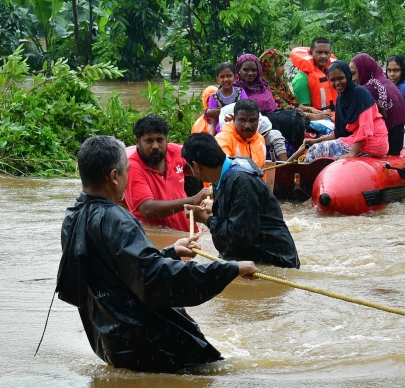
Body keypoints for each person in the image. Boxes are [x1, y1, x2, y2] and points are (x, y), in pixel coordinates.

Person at [56, 134, 258, 372]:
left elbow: (118, 273)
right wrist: (230, 268)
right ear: (114, 176)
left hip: (111, 341)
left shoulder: (72, 217)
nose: (127, 177)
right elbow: (154, 279)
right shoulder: (118, 220)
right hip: (149, 342)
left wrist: (171, 252)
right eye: (126, 171)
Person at [184, 133, 300, 268]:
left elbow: (241, 235)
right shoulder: (223, 173)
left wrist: (205, 219)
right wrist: (215, 207)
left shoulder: (242, 180)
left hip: (274, 262)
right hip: (254, 260)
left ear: (196, 166)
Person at [125, 115, 202, 232]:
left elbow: (200, 170)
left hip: (188, 233)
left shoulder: (176, 152)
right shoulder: (132, 168)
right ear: (137, 142)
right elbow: (147, 210)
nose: (155, 146)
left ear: (166, 139)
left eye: (160, 140)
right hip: (158, 242)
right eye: (149, 141)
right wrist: (193, 200)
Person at [305, 59, 389, 160]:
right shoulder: (341, 98)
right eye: (332, 80)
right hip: (355, 140)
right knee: (316, 147)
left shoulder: (361, 94)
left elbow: (365, 128)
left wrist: (352, 153)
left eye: (340, 78)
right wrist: (316, 140)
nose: (337, 83)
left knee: (316, 151)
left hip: (373, 142)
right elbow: (339, 132)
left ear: (348, 76)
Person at [351, 53, 405, 156]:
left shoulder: (368, 89)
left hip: (384, 146)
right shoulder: (387, 83)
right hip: (397, 144)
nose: (352, 78)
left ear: (363, 71)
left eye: (354, 73)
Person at [259, 48, 310, 154]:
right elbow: (285, 106)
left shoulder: (280, 82)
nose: (283, 69)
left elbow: (293, 101)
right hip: (280, 124)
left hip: (290, 116)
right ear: (270, 67)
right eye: (280, 66)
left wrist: (312, 110)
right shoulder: (265, 86)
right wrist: (314, 115)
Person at [290, 37, 338, 118]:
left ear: (330, 54)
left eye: (326, 53)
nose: (323, 56)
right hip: (314, 122)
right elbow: (304, 113)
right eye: (319, 52)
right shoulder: (302, 79)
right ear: (311, 53)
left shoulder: (333, 73)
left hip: (335, 116)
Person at [194, 63, 244, 135]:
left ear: (235, 77)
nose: (226, 79)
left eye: (229, 76)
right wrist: (212, 139)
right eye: (222, 77)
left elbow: (247, 110)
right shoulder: (214, 97)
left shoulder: (241, 92)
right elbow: (214, 122)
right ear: (218, 79)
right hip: (222, 132)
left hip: (240, 129)